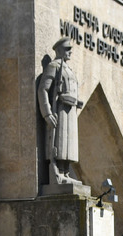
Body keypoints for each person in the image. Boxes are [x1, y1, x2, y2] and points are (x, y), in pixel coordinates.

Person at [38, 37, 83, 185]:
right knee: (60, 142)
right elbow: (43, 89)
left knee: (69, 144)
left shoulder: (69, 70)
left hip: (70, 111)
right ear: (58, 50)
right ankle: (58, 172)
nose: (70, 52)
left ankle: (66, 171)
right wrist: (47, 113)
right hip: (60, 110)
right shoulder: (54, 66)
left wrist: (77, 101)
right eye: (67, 49)